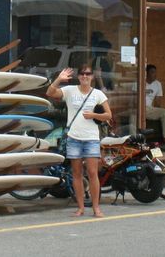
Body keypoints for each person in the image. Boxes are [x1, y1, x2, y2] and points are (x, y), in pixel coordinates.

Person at [46, 64, 112, 217]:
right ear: (78, 76)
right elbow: (50, 92)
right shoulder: (70, 91)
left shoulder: (98, 94)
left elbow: (108, 115)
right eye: (82, 74)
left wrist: (94, 115)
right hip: (74, 138)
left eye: (88, 74)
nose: (84, 76)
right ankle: (81, 207)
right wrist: (59, 79)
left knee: (92, 172)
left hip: (91, 138)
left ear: (92, 77)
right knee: (76, 173)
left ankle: (96, 208)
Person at [145, 64, 165, 143]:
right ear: (146, 73)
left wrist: (158, 111)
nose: (154, 74)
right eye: (152, 72)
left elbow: (158, 101)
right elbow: (133, 98)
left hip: (149, 108)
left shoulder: (158, 84)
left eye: (155, 72)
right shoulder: (139, 81)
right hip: (139, 107)